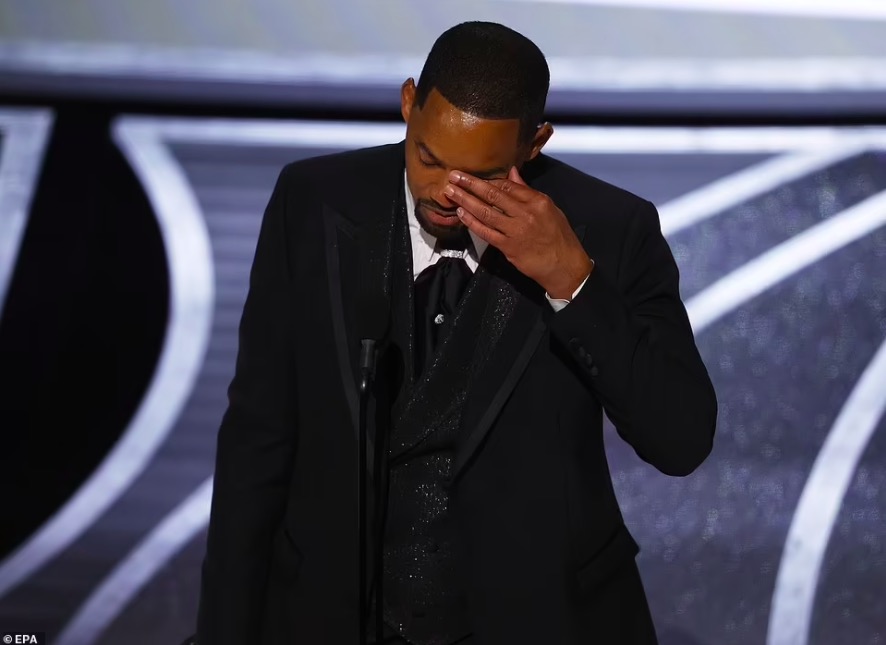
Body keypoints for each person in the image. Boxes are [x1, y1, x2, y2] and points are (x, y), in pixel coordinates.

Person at [194, 20, 717, 645]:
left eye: (481, 176)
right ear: (408, 103)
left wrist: (572, 281)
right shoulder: (311, 201)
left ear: (534, 143)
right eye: (428, 158)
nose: (447, 193)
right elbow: (257, 438)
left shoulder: (610, 229)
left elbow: (681, 440)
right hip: (330, 617)